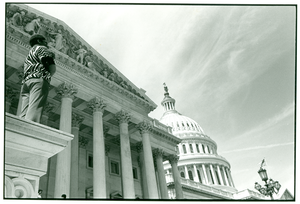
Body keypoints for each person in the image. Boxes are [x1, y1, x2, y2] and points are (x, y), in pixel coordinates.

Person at [19, 34, 56, 123]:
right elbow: (52, 67)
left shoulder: (29, 54)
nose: (46, 43)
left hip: (26, 83)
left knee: (24, 113)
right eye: (45, 41)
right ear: (39, 41)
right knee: (34, 111)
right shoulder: (42, 48)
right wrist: (47, 76)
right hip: (39, 79)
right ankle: (29, 134)